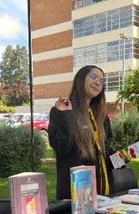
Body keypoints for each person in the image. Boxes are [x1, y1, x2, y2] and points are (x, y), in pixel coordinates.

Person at [48, 65, 115, 199]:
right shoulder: (60, 111)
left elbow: (103, 154)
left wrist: (121, 158)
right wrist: (68, 115)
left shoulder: (102, 117)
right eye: (93, 77)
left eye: (102, 81)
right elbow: (62, 147)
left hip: (103, 193)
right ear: (81, 79)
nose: (98, 82)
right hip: (76, 194)